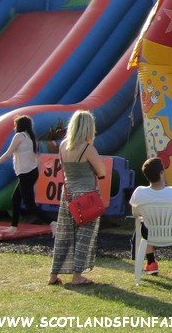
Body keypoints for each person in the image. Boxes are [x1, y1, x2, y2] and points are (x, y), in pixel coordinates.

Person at [49, 110, 106, 285]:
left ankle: (53, 275)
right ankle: (77, 276)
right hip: (87, 195)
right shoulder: (88, 148)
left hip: (67, 194)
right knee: (84, 235)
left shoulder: (63, 145)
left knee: (64, 235)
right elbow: (102, 172)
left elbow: (64, 169)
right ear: (89, 128)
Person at [0, 115, 55, 237]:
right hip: (30, 173)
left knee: (30, 204)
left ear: (20, 125)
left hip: (26, 173)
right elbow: (36, 158)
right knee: (16, 198)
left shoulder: (19, 136)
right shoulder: (30, 138)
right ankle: (13, 227)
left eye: (15, 125)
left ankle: (52, 222)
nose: (14, 127)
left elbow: (8, 154)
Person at [129, 157, 172, 275]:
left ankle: (151, 263)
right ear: (162, 173)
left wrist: (152, 216)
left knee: (144, 224)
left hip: (149, 233)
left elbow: (135, 213)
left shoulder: (139, 192)